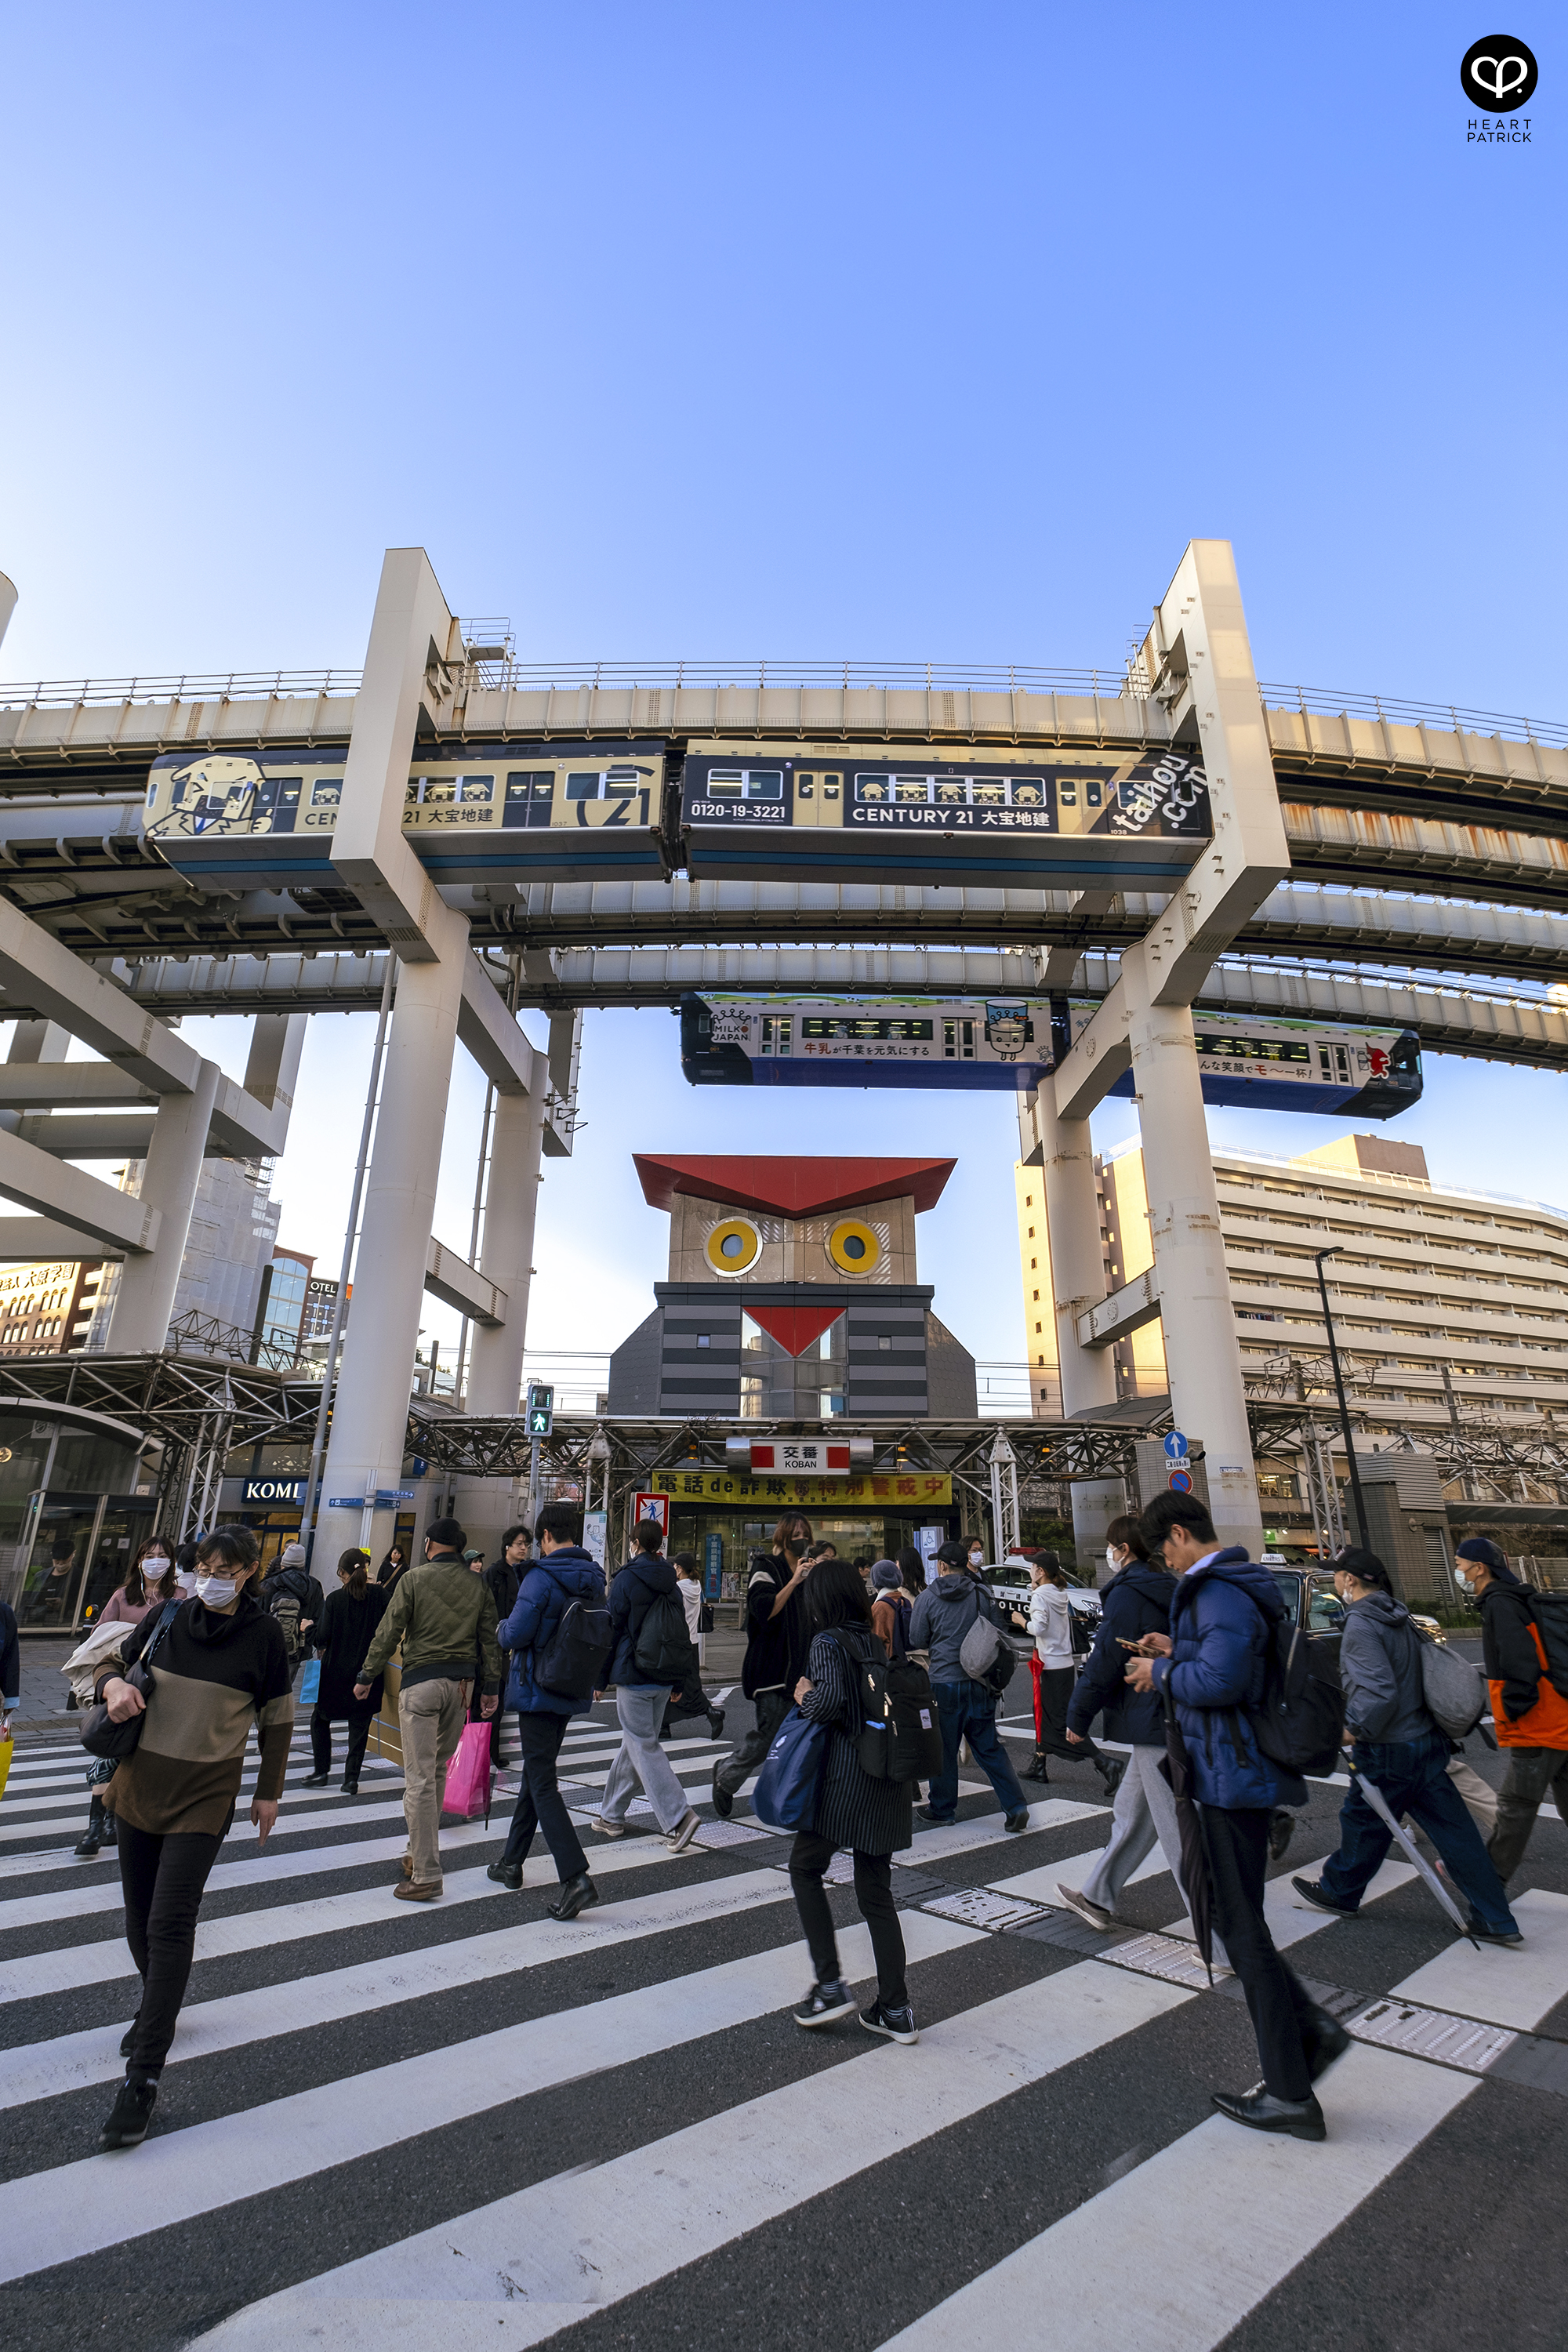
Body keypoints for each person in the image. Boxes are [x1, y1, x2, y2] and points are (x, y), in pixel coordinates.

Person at [1127, 1493, 1350, 2143]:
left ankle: (1291, 2089)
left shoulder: (1216, 1589)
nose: (1165, 1565)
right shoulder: (1233, 1585)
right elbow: (1230, 1662)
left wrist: (1160, 1668)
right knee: (1238, 1921)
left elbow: (1222, 1683)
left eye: (1163, 1552)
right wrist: (1178, 1646)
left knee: (1240, 1928)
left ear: (1178, 1534)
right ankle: (1308, 2040)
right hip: (1234, 1770)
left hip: (1229, 1774)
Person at [93, 1525, 292, 2149]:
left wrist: (268, 1791)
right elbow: (105, 1661)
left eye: (227, 1568)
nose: (212, 1576)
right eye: (204, 1565)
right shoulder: (168, 1617)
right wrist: (114, 1686)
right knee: (136, 1917)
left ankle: (143, 2075)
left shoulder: (264, 1637)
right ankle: (158, 2006)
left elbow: (279, 1720)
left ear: (249, 1572)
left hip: (206, 1795)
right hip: (138, 1783)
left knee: (170, 1922)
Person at [1290, 1547, 1521, 1944]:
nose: (1338, 1583)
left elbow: (1377, 1692)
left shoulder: (1362, 1624)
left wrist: (1354, 1728)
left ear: (1349, 1581)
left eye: (1339, 1577)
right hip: (1426, 1741)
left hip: (1387, 1747)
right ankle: (1496, 1917)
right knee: (1456, 1833)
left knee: (1363, 1820)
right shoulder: (1399, 1615)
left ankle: (1340, 1891)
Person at [790, 1559, 918, 2044]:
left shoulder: (826, 1641)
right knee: (876, 1893)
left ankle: (829, 1985)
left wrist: (804, 1692)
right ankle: (896, 2008)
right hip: (886, 1775)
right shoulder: (872, 1637)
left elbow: (828, 1704)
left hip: (846, 1779)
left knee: (804, 1867)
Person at [354, 1516, 501, 1902]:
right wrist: (491, 1687)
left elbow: (388, 1631)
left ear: (431, 1544)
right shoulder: (477, 1584)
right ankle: (415, 1853)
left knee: (418, 1778)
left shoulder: (414, 1579)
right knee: (436, 1772)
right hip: (462, 1688)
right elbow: (490, 1640)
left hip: (421, 1685)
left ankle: (426, 1873)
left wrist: (367, 1674)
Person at [1054, 1519, 1192, 1931]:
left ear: (1125, 1549)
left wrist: (1078, 1714)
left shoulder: (1129, 1593)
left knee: (1177, 1834)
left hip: (1153, 1719)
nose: (1111, 1554)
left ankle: (1221, 1940)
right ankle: (1098, 1896)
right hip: (1163, 1713)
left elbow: (1106, 1660)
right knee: (1131, 1813)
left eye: (1113, 1546)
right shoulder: (1169, 1585)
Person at [488, 1498, 606, 1918]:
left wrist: (501, 1627)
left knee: (541, 1781)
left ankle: (575, 1877)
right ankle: (510, 1862)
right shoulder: (594, 1578)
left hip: (537, 1686)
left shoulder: (541, 1577)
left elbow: (515, 1634)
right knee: (538, 1774)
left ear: (545, 1537)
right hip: (570, 1685)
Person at [1454, 1535, 1568, 1886]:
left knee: (1515, 1808)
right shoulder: (1519, 1598)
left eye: (1460, 1565)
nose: (1458, 1570)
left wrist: (1515, 1708)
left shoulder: (1500, 1603)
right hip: (1559, 1717)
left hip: (1538, 1724)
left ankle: (1489, 1888)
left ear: (1479, 1568)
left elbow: (1520, 1662)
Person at [593, 1520, 702, 1851]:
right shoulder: (672, 1580)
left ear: (636, 1542)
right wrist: (680, 1678)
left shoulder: (626, 1578)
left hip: (634, 1672)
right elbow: (679, 1630)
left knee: (642, 1745)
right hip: (664, 1674)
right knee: (636, 1744)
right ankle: (611, 1815)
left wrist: (599, 1678)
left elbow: (611, 1630)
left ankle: (679, 1816)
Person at [908, 1538, 1029, 1831]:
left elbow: (917, 1639)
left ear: (941, 1566)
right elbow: (997, 1633)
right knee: (989, 1748)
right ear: (965, 1564)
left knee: (945, 1750)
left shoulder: (927, 1598)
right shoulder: (981, 1594)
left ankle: (943, 1809)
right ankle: (1015, 1806)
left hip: (944, 1682)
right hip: (979, 1681)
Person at [74, 1541, 178, 1859]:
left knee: (139, 1754)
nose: (155, 1562)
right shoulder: (123, 1595)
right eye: (149, 1557)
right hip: (119, 1682)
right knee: (109, 1748)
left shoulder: (180, 1598)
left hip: (157, 1687)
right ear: (139, 1561)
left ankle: (119, 1819)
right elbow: (100, 1637)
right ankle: (96, 1826)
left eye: (162, 1557)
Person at [712, 1514, 814, 1819]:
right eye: (796, 1533)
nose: (801, 1539)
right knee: (770, 1735)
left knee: (800, 1735)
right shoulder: (766, 1568)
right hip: (771, 1671)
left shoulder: (807, 1573)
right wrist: (795, 1581)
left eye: (805, 1534)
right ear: (782, 1538)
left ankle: (791, 1795)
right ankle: (727, 1776)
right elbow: (763, 1610)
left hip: (801, 1671)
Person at [1019, 1552, 1117, 1791]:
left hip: (1049, 1666)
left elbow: (1039, 1627)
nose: (1031, 1571)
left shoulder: (1041, 1596)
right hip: (1064, 1664)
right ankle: (1039, 1764)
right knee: (1046, 1716)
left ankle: (1105, 1762)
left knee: (1059, 1724)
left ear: (1040, 1572)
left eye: (1033, 1567)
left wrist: (1021, 1621)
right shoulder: (1060, 1594)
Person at [303, 1549, 388, 1795]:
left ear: (343, 1572)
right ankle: (351, 1779)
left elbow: (322, 1638)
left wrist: (308, 1628)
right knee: (359, 1726)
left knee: (320, 1719)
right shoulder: (380, 1595)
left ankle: (321, 1771)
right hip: (369, 1673)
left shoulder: (336, 1600)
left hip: (335, 1674)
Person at [481, 1523, 532, 1766]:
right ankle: (488, 1752)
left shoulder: (528, 1572)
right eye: (520, 1544)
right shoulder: (494, 1573)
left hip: (519, 1646)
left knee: (505, 1702)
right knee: (494, 1701)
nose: (524, 1548)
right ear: (507, 1547)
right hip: (497, 1645)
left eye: (526, 1544)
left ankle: (493, 1751)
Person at [662, 1553, 724, 1740]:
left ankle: (710, 1712)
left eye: (675, 1567)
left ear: (679, 1568)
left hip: (678, 1643)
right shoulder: (696, 1586)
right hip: (692, 1642)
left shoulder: (678, 1588)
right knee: (687, 1684)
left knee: (673, 1684)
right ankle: (663, 1726)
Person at [258, 1541, 325, 1685]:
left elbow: (255, 1615)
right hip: (298, 1650)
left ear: (283, 1563)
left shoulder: (269, 1583)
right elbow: (319, 1618)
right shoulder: (314, 1586)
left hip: (267, 1648)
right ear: (303, 1565)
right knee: (284, 1688)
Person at [869, 1560, 913, 1659]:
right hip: (906, 1661)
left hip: (889, 1664)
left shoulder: (879, 1607)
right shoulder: (905, 1601)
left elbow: (876, 1641)